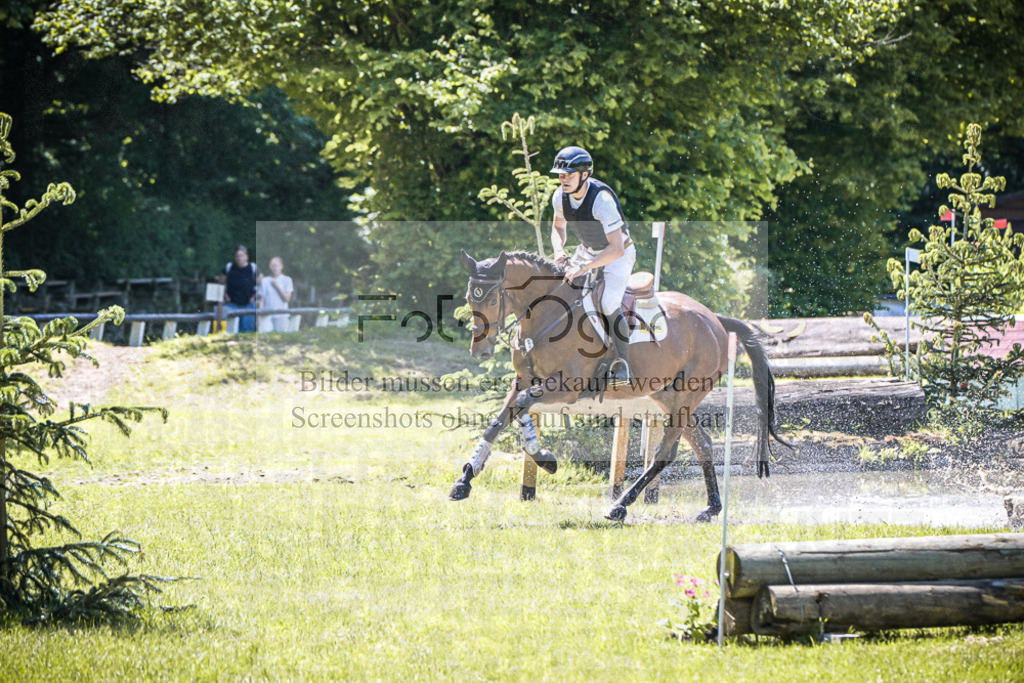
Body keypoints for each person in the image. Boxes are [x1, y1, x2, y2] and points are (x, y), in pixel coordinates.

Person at [549, 145, 636, 386]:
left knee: (608, 302)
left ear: (584, 174)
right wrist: (558, 250)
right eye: (560, 174)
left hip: (619, 255)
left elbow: (616, 248)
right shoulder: (559, 197)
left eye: (568, 174)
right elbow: (558, 227)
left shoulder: (602, 201)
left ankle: (623, 363)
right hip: (587, 251)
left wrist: (585, 267)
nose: (563, 179)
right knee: (561, 290)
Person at [222, 245, 260, 333]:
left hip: (248, 305)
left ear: (246, 256)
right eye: (237, 256)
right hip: (232, 305)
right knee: (231, 331)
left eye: (241, 255)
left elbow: (262, 285)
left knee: (247, 332)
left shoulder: (253, 268)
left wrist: (254, 296)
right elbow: (220, 283)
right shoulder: (230, 267)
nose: (239, 258)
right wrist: (225, 295)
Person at [257, 256, 294, 333]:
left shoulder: (287, 280)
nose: (275, 268)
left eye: (276, 265)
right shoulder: (265, 281)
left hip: (282, 316)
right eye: (273, 266)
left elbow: (287, 298)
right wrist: (259, 318)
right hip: (267, 316)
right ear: (270, 267)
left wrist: (277, 286)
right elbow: (262, 301)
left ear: (281, 266)